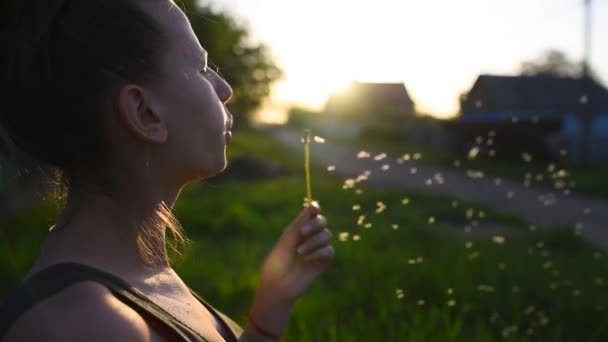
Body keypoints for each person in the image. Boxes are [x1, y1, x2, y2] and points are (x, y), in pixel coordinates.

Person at [0, 0, 334, 341]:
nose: (226, 90)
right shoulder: (90, 325)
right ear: (145, 113)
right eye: (204, 69)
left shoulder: (133, 275)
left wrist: (272, 302)